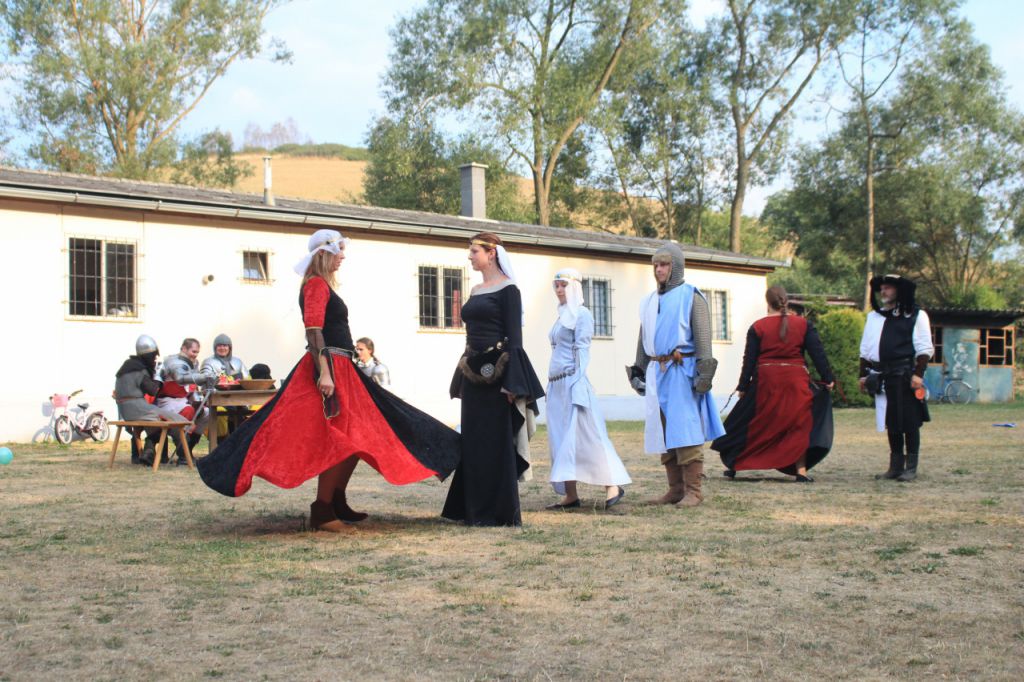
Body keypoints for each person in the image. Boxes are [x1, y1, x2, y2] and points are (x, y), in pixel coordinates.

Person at [196, 229, 460, 531]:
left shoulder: (323, 285)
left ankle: (336, 500)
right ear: (322, 253)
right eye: (338, 251)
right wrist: (324, 371)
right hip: (330, 368)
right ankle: (322, 510)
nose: (342, 257)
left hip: (342, 367)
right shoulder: (315, 285)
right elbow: (314, 330)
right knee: (340, 438)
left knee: (358, 437)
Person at [442, 232, 545, 526]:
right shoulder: (476, 290)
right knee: (473, 440)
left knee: (496, 442)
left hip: (498, 376)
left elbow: (515, 339)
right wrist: (463, 370)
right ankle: (472, 510)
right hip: (472, 373)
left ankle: (499, 512)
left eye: (474, 251)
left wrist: (512, 382)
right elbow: (470, 336)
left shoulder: (509, 290)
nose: (470, 256)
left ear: (492, 254)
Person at [627, 242, 725, 508]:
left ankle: (694, 490)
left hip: (682, 372)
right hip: (657, 374)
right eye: (656, 265)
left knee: (686, 430)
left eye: (664, 265)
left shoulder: (691, 296)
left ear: (676, 267)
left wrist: (703, 373)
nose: (659, 270)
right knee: (664, 431)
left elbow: (703, 339)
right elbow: (645, 338)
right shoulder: (649, 301)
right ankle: (675, 489)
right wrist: (639, 369)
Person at [711, 286, 835, 482]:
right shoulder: (803, 325)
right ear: (786, 301)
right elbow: (818, 354)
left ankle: (735, 464)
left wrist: (743, 386)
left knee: (751, 421)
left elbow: (749, 360)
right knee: (797, 424)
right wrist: (828, 378)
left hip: (766, 382)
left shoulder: (758, 327)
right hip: (796, 383)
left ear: (767, 303)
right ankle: (801, 472)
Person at [545, 268, 631, 510]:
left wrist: (577, 381)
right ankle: (570, 495)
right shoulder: (561, 315)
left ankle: (612, 485)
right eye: (556, 285)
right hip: (556, 385)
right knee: (561, 439)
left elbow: (582, 350)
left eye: (563, 285)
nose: (559, 290)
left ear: (573, 286)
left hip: (573, 383)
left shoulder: (582, 314)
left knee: (589, 436)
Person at [859, 274, 933, 482]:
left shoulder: (916, 315)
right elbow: (866, 348)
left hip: (904, 375)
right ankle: (895, 466)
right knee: (891, 421)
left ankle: (911, 467)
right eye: (882, 288)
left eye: (888, 288)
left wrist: (918, 374)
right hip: (883, 376)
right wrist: (863, 375)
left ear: (899, 291)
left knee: (909, 422)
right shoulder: (874, 317)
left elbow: (924, 348)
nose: (883, 291)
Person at [114, 335, 185, 465]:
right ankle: (181, 456)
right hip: (136, 408)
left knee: (159, 419)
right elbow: (152, 390)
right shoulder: (138, 369)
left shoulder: (128, 366)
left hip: (126, 410)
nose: (154, 359)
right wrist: (159, 375)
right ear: (149, 355)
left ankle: (149, 452)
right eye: (153, 356)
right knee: (173, 419)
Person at [156, 337, 217, 465]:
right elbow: (180, 378)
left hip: (183, 400)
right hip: (167, 401)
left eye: (197, 352)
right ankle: (183, 454)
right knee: (188, 411)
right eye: (193, 351)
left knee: (206, 413)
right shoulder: (173, 361)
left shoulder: (193, 363)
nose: (195, 355)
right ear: (184, 349)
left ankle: (188, 449)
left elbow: (191, 387)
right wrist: (205, 376)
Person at [202, 333, 249, 436]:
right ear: (215, 347)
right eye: (219, 345)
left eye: (225, 345)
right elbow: (205, 381)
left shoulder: (238, 362)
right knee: (230, 411)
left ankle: (238, 439)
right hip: (217, 398)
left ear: (229, 347)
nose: (222, 348)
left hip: (237, 398)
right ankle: (223, 440)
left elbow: (247, 380)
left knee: (243, 411)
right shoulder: (209, 362)